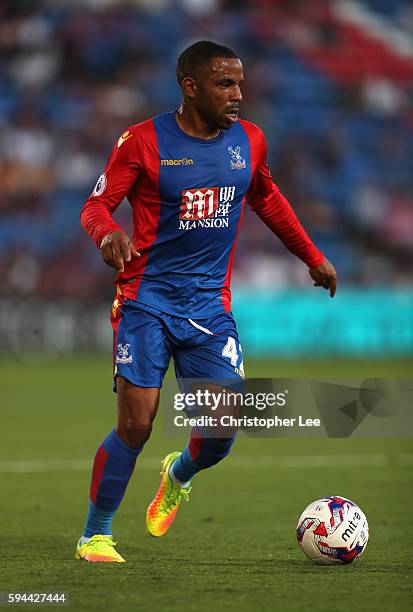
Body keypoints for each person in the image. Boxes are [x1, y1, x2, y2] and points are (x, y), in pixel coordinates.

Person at [77, 40, 337, 563]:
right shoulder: (143, 142)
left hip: (209, 309)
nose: (238, 94)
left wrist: (311, 255)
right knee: (137, 423)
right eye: (225, 84)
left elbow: (265, 198)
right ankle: (95, 536)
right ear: (190, 87)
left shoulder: (249, 141)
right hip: (144, 302)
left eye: (240, 83)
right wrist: (107, 235)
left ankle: (179, 474)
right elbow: (96, 205)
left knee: (220, 432)